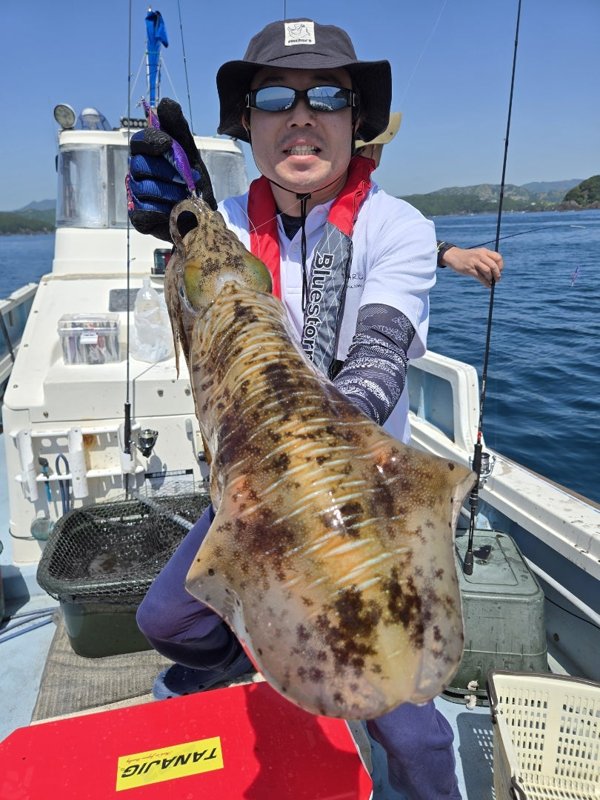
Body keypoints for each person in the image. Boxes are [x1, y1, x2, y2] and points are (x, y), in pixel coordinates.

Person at [128, 18, 461, 800]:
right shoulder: (231, 225)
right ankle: (266, 642)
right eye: (276, 97)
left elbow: (378, 361)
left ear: (357, 121)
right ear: (248, 122)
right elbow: (206, 288)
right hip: (253, 494)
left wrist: (312, 447)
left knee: (408, 713)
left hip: (367, 493)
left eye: (329, 99)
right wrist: (183, 225)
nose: (301, 117)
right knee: (169, 624)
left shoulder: (399, 228)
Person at [356, 116, 504, 289]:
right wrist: (450, 253)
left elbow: (400, 238)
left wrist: (448, 253)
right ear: (373, 148)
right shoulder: (387, 212)